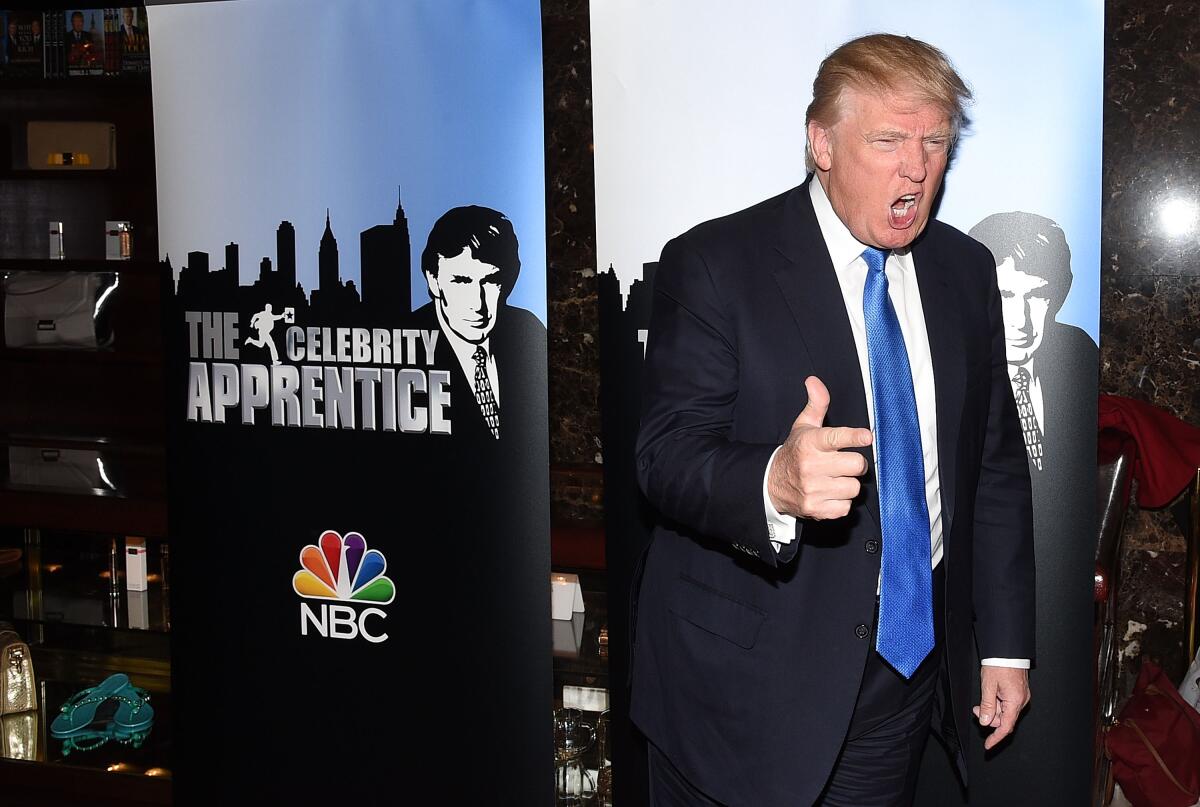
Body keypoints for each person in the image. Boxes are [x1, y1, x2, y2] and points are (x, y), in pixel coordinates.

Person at [631, 34, 1035, 806]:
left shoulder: (964, 271)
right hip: (741, 692)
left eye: (935, 141)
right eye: (887, 139)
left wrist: (1006, 646)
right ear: (821, 142)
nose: (916, 166)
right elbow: (663, 455)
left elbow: (993, 468)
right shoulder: (717, 265)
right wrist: (773, 481)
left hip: (898, 680)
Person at [968, 212, 1098, 474]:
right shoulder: (951, 364)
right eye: (1004, 295)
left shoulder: (1078, 352)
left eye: (1038, 295)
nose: (1021, 320)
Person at [413, 205, 545, 447]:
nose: (478, 304)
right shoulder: (405, 341)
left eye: (490, 280)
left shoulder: (528, 331)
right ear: (434, 281)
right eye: (461, 281)